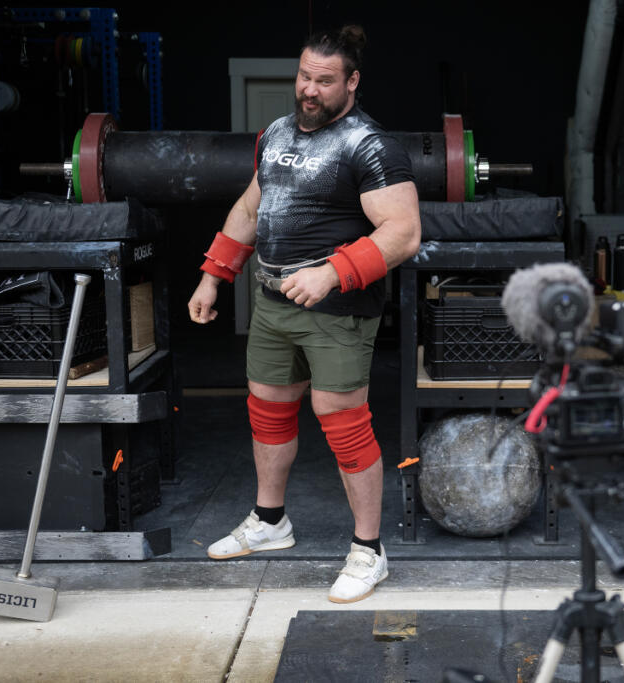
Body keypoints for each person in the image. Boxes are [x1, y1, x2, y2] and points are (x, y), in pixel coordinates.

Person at [187, 24, 421, 604]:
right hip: (272, 303)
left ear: (352, 81)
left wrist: (332, 272)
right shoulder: (276, 134)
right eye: (303, 76)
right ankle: (270, 523)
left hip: (338, 308)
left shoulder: (370, 145)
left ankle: (369, 552)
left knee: (341, 422)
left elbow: (405, 232)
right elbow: (251, 204)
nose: (309, 90)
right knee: (268, 410)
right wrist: (214, 275)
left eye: (323, 80)